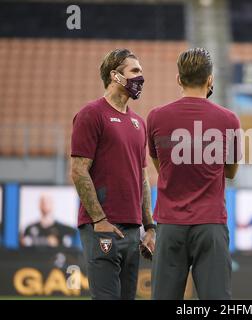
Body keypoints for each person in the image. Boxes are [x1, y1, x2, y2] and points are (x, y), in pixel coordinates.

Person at [147, 48, 241, 300]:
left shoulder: (156, 117)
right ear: (210, 79)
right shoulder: (229, 119)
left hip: (169, 225)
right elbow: (231, 171)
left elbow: (160, 166)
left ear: (179, 79)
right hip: (210, 225)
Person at [70, 48, 155, 300]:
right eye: (135, 71)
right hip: (102, 228)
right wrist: (100, 220)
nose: (141, 77)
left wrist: (149, 226)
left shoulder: (139, 123)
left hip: (133, 230)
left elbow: (143, 178)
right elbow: (78, 171)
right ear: (115, 76)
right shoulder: (91, 114)